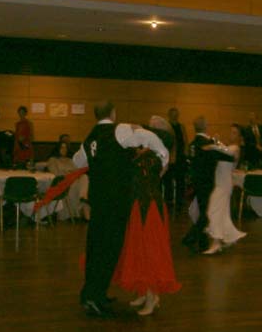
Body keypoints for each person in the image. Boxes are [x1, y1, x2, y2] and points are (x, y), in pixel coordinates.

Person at [72, 101, 135, 317]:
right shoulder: (121, 131)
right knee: (109, 250)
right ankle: (95, 297)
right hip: (115, 202)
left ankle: (92, 293)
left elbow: (77, 161)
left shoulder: (90, 137)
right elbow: (148, 139)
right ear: (113, 113)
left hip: (98, 202)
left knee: (95, 248)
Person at [112, 122, 180, 316]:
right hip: (141, 207)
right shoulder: (151, 155)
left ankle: (152, 296)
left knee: (149, 251)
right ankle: (144, 292)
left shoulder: (152, 157)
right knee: (138, 249)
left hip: (148, 209)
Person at [182, 116, 235, 253]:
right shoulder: (208, 144)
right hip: (208, 182)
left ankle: (202, 242)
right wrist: (218, 144)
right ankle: (190, 237)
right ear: (206, 127)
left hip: (196, 182)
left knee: (203, 211)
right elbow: (228, 157)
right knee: (206, 214)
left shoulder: (192, 144)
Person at [204, 124, 247, 255]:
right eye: (231, 132)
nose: (231, 135)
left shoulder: (236, 148)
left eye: (234, 133)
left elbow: (226, 151)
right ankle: (230, 237)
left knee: (213, 211)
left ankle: (216, 242)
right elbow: (223, 149)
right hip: (220, 183)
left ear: (240, 137)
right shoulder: (228, 147)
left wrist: (213, 145)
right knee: (222, 213)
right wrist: (216, 142)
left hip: (224, 185)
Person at [47, 141, 90, 221]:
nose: (64, 150)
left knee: (84, 177)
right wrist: (68, 173)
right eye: (62, 148)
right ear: (58, 149)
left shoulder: (70, 160)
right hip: (63, 182)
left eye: (66, 148)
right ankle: (83, 201)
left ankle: (83, 197)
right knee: (79, 184)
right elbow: (56, 173)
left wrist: (72, 173)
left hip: (74, 180)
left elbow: (77, 171)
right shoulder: (53, 160)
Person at [163, 107, 188, 213]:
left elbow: (185, 141)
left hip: (180, 158)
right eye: (173, 114)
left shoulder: (181, 127)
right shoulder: (166, 127)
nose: (175, 116)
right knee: (168, 181)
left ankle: (180, 202)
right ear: (169, 115)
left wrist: (185, 154)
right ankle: (168, 201)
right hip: (170, 158)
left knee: (180, 181)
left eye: (176, 114)